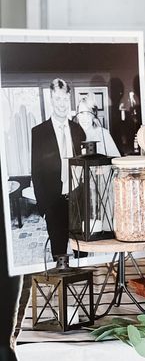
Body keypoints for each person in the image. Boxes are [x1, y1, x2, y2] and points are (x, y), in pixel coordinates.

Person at [31, 79, 85, 259]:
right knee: (59, 256)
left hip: (77, 200)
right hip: (54, 204)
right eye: (57, 99)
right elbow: (36, 172)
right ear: (51, 100)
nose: (61, 104)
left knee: (82, 254)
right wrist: (44, 208)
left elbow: (86, 167)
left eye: (64, 99)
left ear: (69, 99)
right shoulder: (39, 133)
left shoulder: (78, 130)